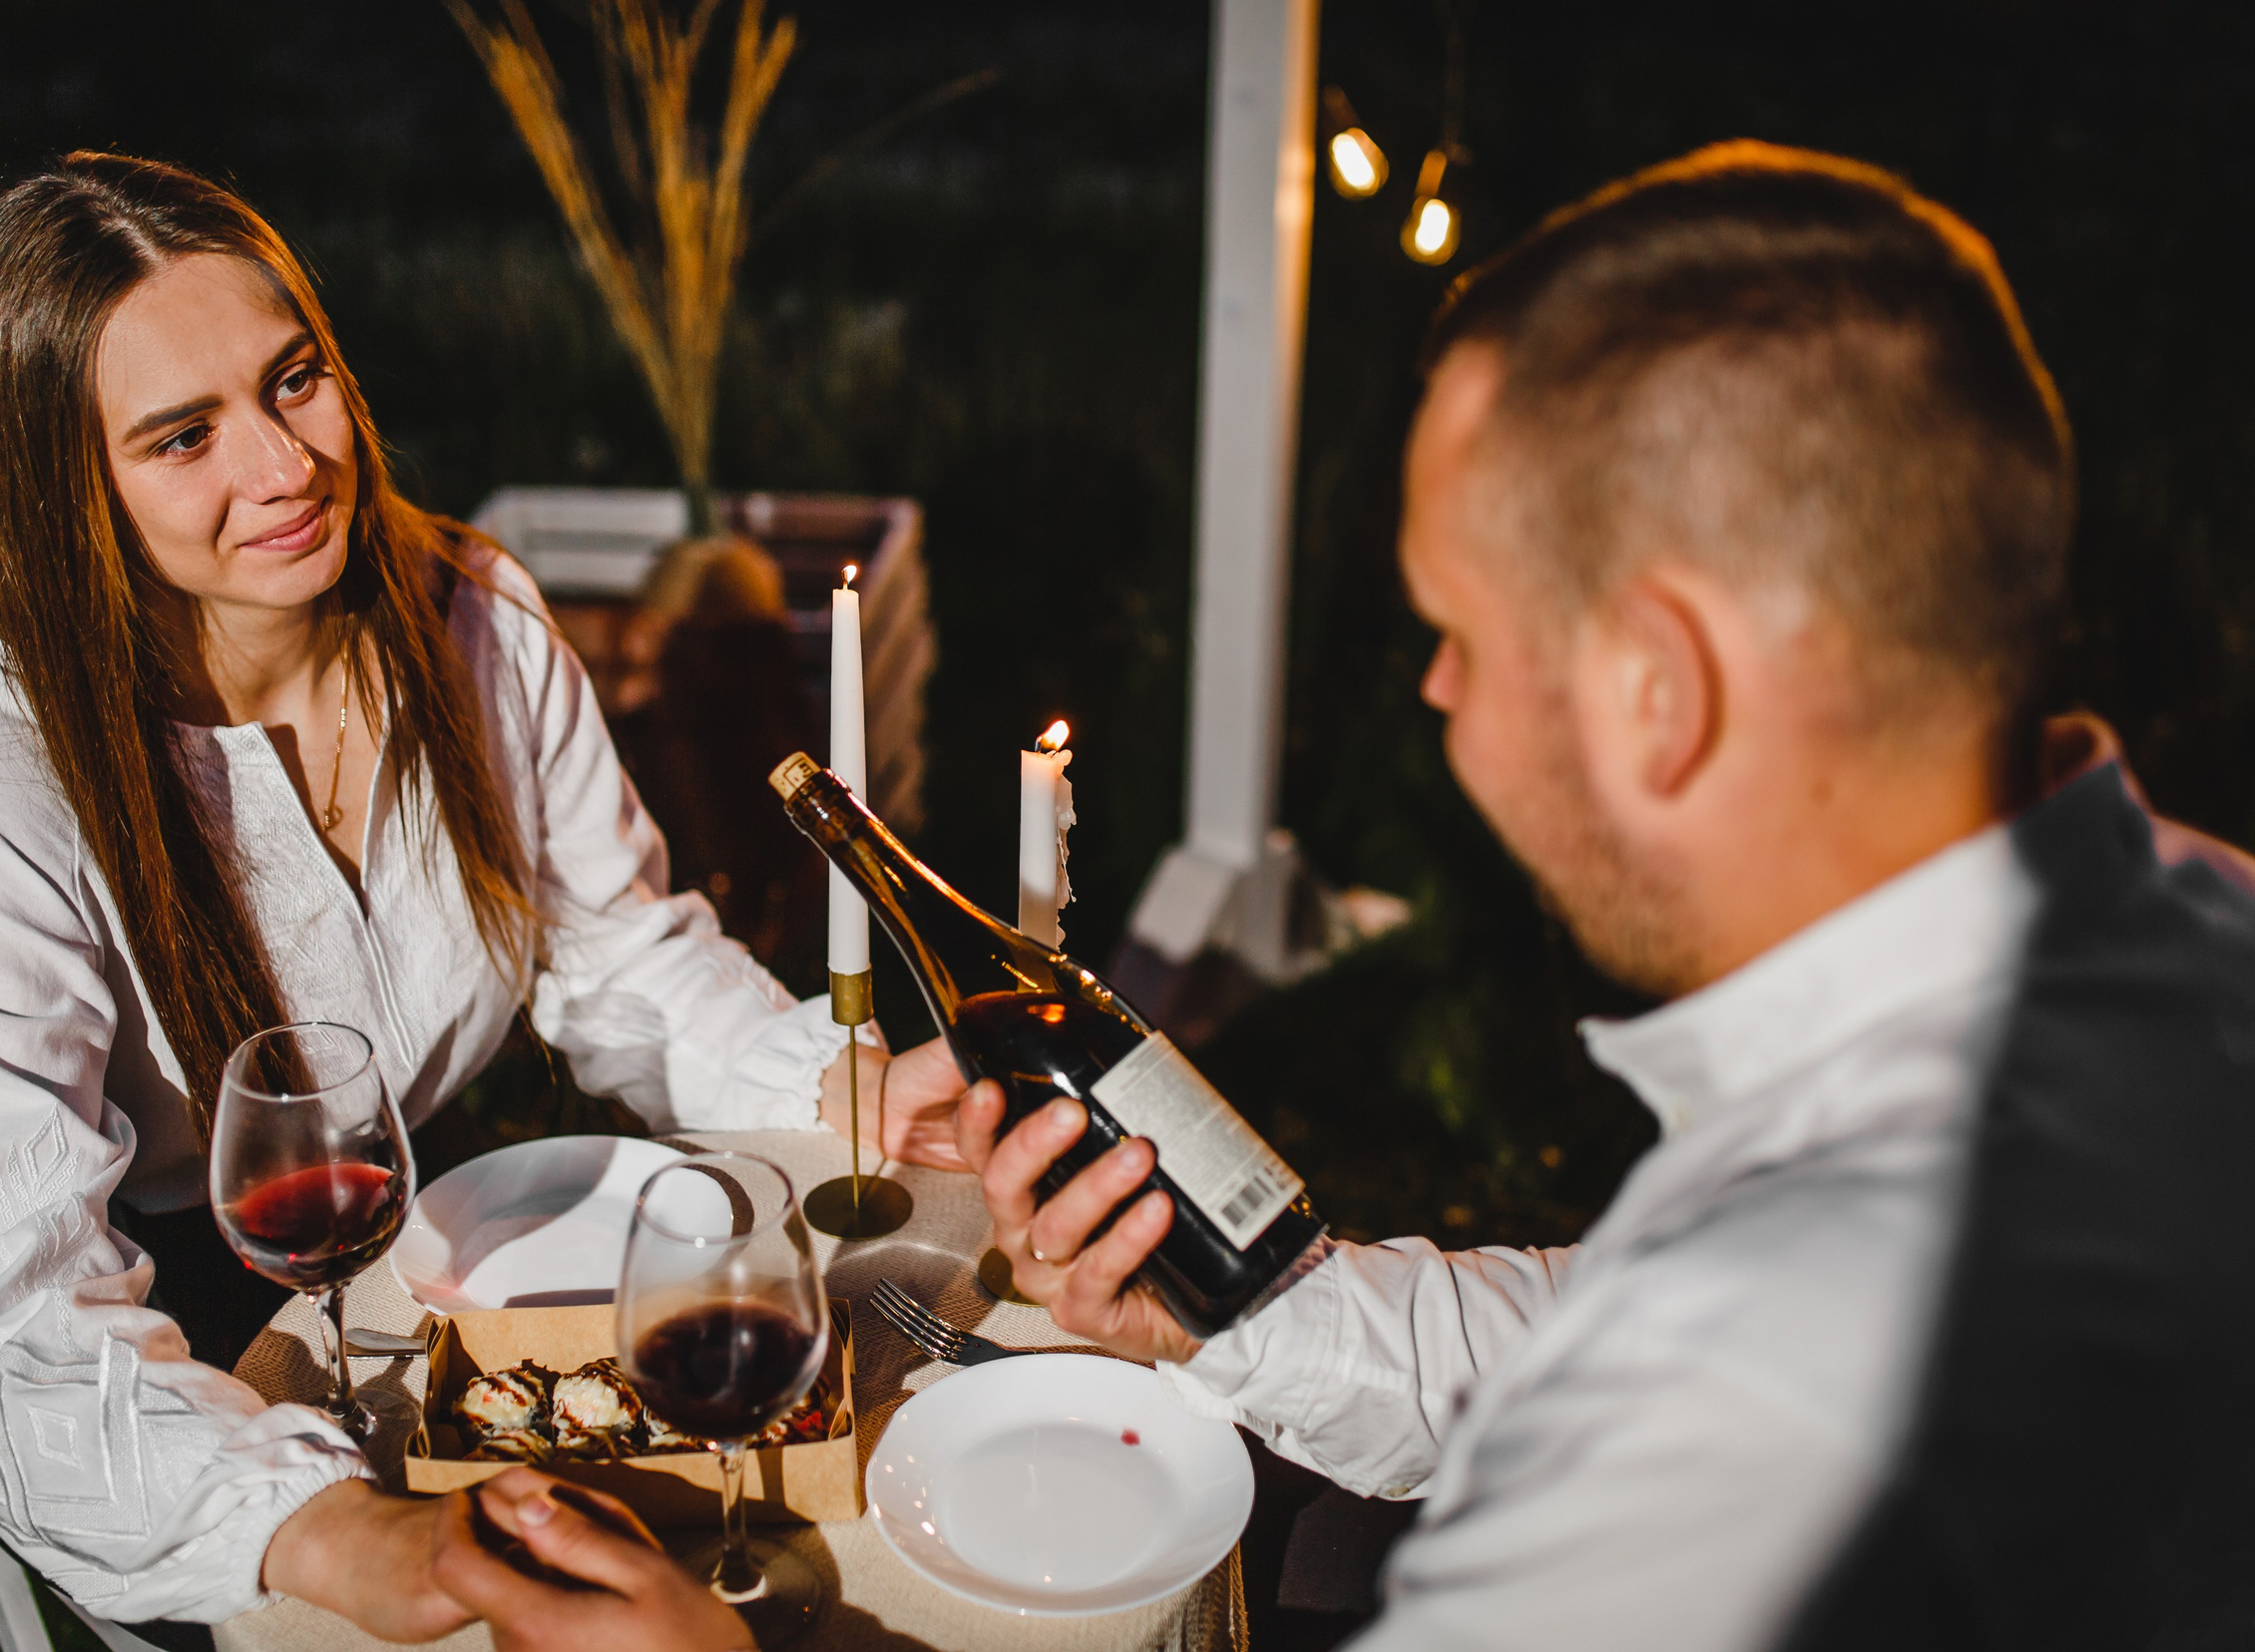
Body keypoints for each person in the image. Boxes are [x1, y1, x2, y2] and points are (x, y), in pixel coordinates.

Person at [956, 142, 2255, 1649]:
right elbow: (1601, 1325)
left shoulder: (1777, 1385)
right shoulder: (2189, 918)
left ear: (1658, 687)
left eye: (1460, 633)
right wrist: (1233, 1314)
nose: (1438, 694)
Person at [0, 152, 963, 1637]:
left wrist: (840, 1087)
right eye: (184, 436)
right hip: (191, 1397)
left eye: (295, 379)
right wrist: (349, 1539)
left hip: (461, 1286)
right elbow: (3, 1325)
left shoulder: (467, 612)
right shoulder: (4, 798)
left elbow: (615, 953)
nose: (287, 466)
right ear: (63, 491)